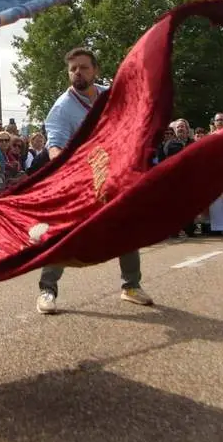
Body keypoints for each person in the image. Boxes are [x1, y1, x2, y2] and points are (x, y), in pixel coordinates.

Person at [35, 48, 153, 314]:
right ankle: (47, 290)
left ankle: (131, 286)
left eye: (84, 67)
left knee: (126, 226)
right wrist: (65, 168)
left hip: (113, 174)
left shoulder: (110, 95)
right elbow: (55, 145)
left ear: (95, 70)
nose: (78, 72)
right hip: (80, 178)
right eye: (73, 68)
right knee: (65, 233)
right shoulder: (62, 108)